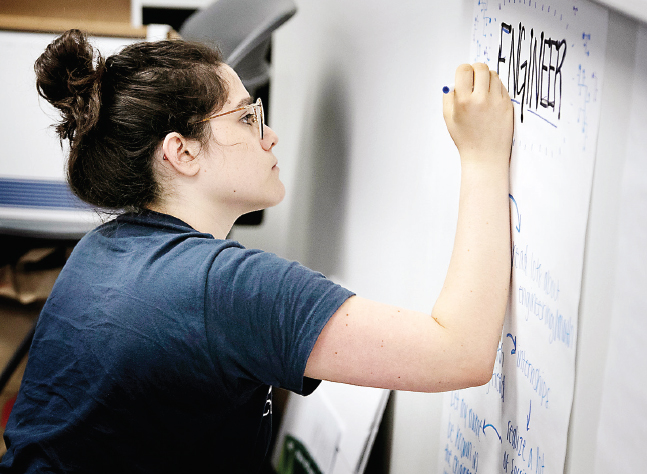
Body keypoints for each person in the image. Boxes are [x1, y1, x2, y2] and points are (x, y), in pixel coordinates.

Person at [0, 29, 513, 473]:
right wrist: (484, 155)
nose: (270, 136)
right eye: (248, 118)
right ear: (182, 152)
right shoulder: (223, 289)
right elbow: (460, 353)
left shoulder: (101, 248)